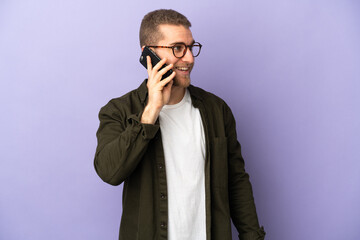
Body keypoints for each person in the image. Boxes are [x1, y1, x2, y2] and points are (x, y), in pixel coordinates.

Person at [94, 9, 265, 240]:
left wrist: (252, 236)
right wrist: (151, 111)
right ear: (148, 54)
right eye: (177, 48)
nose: (189, 58)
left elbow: (236, 181)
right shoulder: (118, 111)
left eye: (191, 47)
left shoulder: (217, 110)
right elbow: (109, 172)